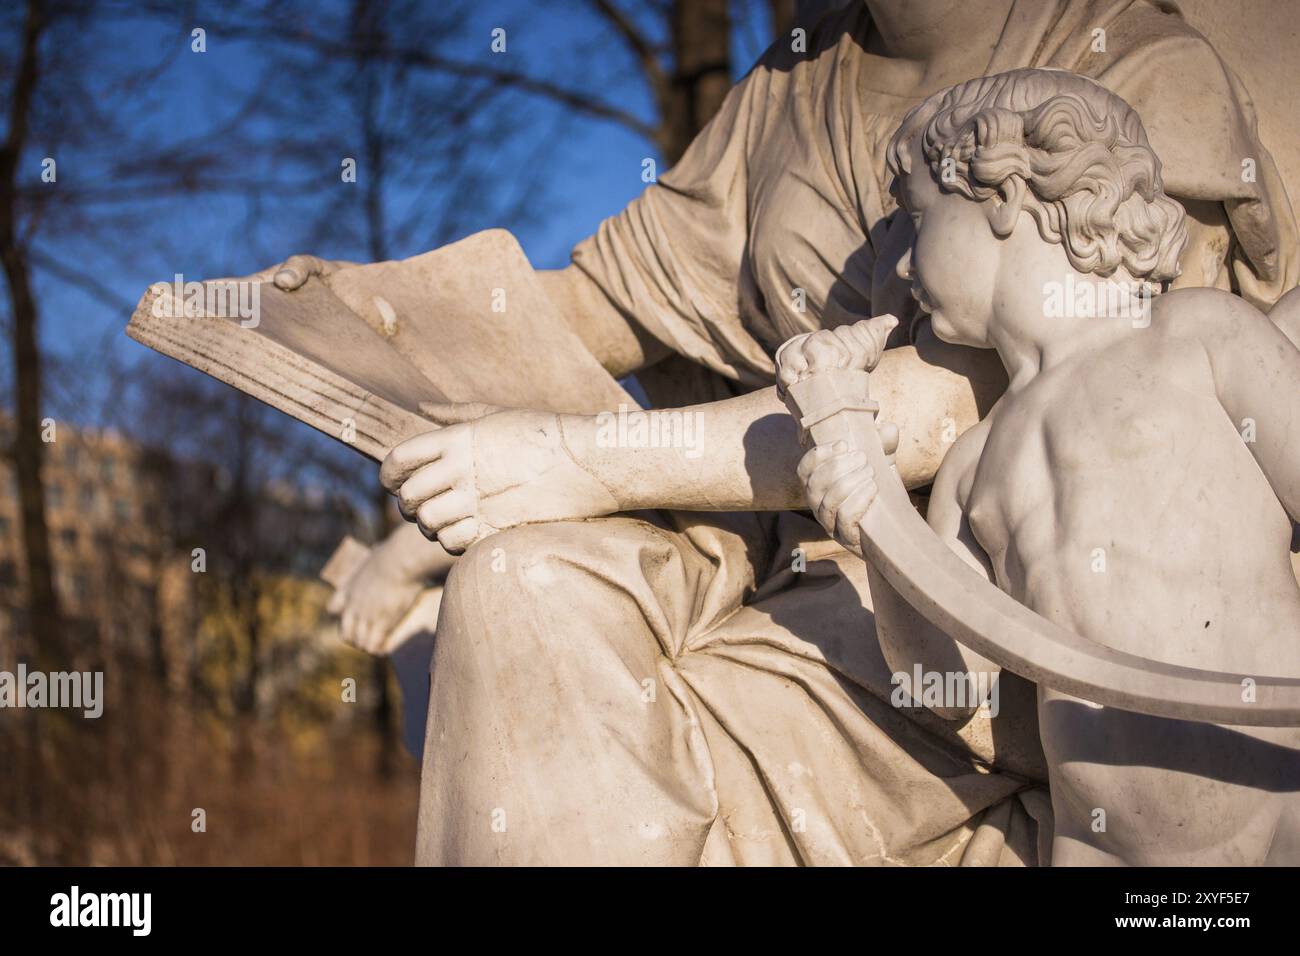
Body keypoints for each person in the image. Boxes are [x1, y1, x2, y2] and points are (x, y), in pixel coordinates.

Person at [284, 1, 1300, 865]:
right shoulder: (788, 85)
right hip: (817, 558)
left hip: (1058, 659)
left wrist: (576, 458)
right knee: (521, 590)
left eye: (917, 227)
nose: (895, 266)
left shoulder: (1118, 65)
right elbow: (594, 302)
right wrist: (373, 315)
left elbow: (977, 398)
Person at [796, 68, 1300, 865]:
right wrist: (878, 535)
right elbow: (951, 691)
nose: (896, 269)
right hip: (1103, 847)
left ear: (1002, 196)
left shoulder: (1197, 337)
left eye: (917, 220)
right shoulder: (970, 467)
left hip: (1285, 795)